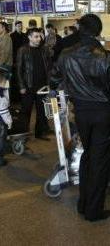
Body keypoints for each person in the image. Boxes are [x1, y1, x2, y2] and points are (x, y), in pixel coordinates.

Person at [50, 14, 110, 222]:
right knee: (100, 160)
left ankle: (83, 204)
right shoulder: (103, 55)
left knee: (87, 154)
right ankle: (94, 210)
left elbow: (55, 78)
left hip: (80, 111)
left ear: (80, 29)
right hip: (103, 111)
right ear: (98, 31)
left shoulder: (66, 53)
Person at [17, 28, 52, 140]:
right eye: (36, 36)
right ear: (29, 37)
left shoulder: (43, 50)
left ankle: (39, 133)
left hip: (42, 86)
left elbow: (48, 68)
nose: (38, 39)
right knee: (26, 111)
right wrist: (21, 85)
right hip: (28, 86)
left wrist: (49, 83)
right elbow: (19, 69)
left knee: (41, 111)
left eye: (39, 36)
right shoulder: (23, 50)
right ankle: (23, 133)